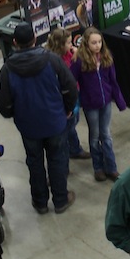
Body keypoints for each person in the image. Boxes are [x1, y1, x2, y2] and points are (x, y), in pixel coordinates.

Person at [0, 21, 78, 213]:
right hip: (55, 122)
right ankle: (60, 200)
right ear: (34, 38)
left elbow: (3, 103)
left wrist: (15, 115)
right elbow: (70, 87)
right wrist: (67, 109)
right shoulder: (52, 60)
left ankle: (40, 202)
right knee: (57, 160)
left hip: (28, 126)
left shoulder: (7, 69)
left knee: (34, 162)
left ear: (14, 42)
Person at [70, 27, 127, 183]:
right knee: (95, 136)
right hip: (90, 105)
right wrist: (72, 101)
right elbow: (70, 80)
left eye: (99, 42)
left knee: (106, 135)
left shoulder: (107, 58)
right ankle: (98, 168)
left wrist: (120, 101)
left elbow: (113, 81)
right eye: (93, 43)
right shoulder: (79, 61)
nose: (97, 46)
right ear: (86, 44)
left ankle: (111, 168)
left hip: (106, 102)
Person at [45, 27, 89, 162]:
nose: (71, 45)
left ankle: (74, 149)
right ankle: (68, 154)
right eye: (69, 43)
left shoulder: (70, 54)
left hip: (75, 93)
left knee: (73, 123)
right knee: (67, 126)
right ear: (60, 45)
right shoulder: (54, 61)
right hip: (64, 98)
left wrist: (77, 55)